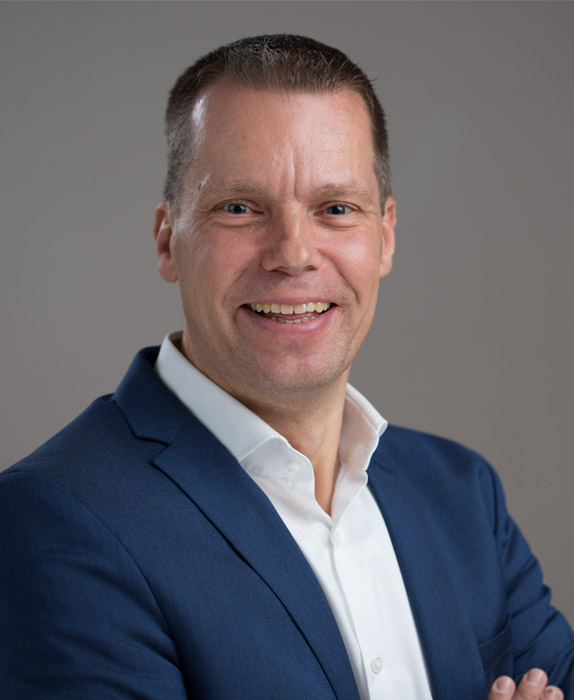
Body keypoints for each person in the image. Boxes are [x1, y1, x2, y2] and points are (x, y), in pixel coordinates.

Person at [0, 34, 572, 700]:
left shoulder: (462, 494)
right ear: (167, 239)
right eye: (240, 208)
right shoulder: (55, 521)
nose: (294, 254)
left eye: (336, 209)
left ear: (384, 236)